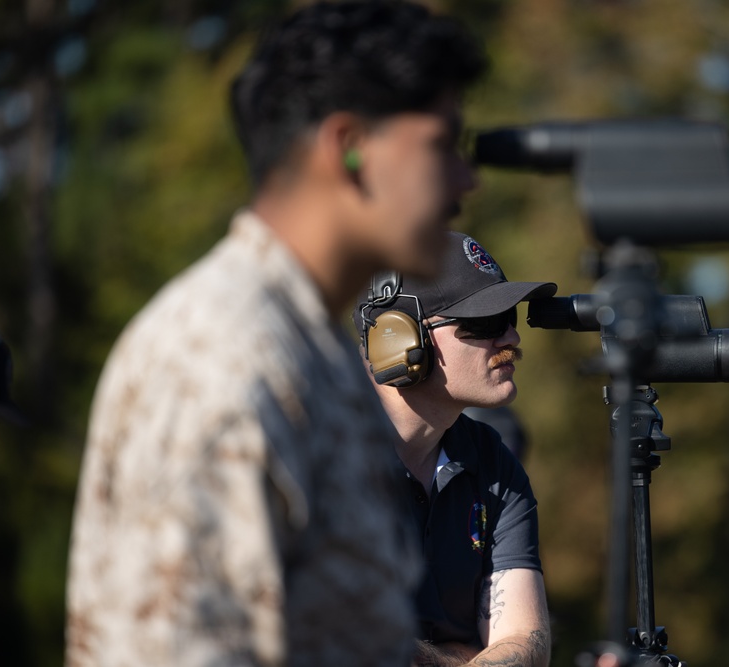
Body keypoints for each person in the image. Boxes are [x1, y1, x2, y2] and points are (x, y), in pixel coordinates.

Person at [65, 3, 486, 665]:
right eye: (441, 145)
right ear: (348, 147)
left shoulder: (314, 352)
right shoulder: (222, 356)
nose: (466, 181)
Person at [353, 231, 556, 667]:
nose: (510, 339)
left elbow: (527, 640)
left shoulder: (493, 462)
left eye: (510, 318)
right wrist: (461, 656)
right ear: (396, 339)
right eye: (484, 323)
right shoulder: (322, 453)